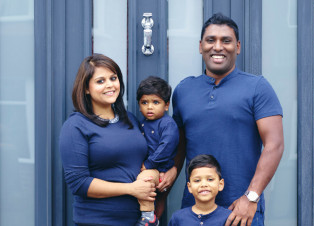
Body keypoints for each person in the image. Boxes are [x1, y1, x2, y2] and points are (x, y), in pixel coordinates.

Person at [163, 13, 284, 226]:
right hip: (193, 211)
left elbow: (274, 145)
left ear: (237, 46)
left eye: (226, 41)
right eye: (211, 40)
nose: (217, 47)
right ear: (201, 46)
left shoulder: (258, 87)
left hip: (241, 210)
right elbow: (179, 148)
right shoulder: (183, 90)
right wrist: (164, 192)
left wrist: (251, 197)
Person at [59, 53, 157, 226]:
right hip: (98, 220)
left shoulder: (130, 119)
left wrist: (155, 174)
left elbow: (143, 161)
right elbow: (79, 183)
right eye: (100, 81)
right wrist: (131, 189)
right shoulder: (75, 126)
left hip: (139, 220)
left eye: (113, 78)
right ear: (86, 88)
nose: (110, 85)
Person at [135, 76, 179, 226]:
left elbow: (166, 147)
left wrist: (149, 164)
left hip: (158, 169)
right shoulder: (142, 124)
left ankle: (149, 216)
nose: (149, 107)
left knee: (144, 181)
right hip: (146, 166)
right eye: (144, 102)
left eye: (155, 102)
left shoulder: (168, 124)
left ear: (166, 105)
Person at [168, 154, 231, 226]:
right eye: (197, 180)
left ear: (220, 184)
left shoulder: (229, 218)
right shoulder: (178, 218)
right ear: (189, 187)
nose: (203, 184)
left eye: (210, 179)